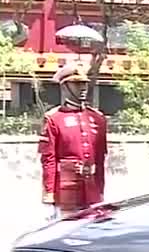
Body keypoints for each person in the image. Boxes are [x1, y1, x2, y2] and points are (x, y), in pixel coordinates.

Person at [38, 64, 108, 219]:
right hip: (66, 187)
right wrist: (49, 194)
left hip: (91, 187)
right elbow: (48, 159)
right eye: (76, 84)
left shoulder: (97, 118)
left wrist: (101, 189)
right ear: (64, 87)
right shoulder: (54, 118)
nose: (82, 88)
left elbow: (101, 158)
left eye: (84, 83)